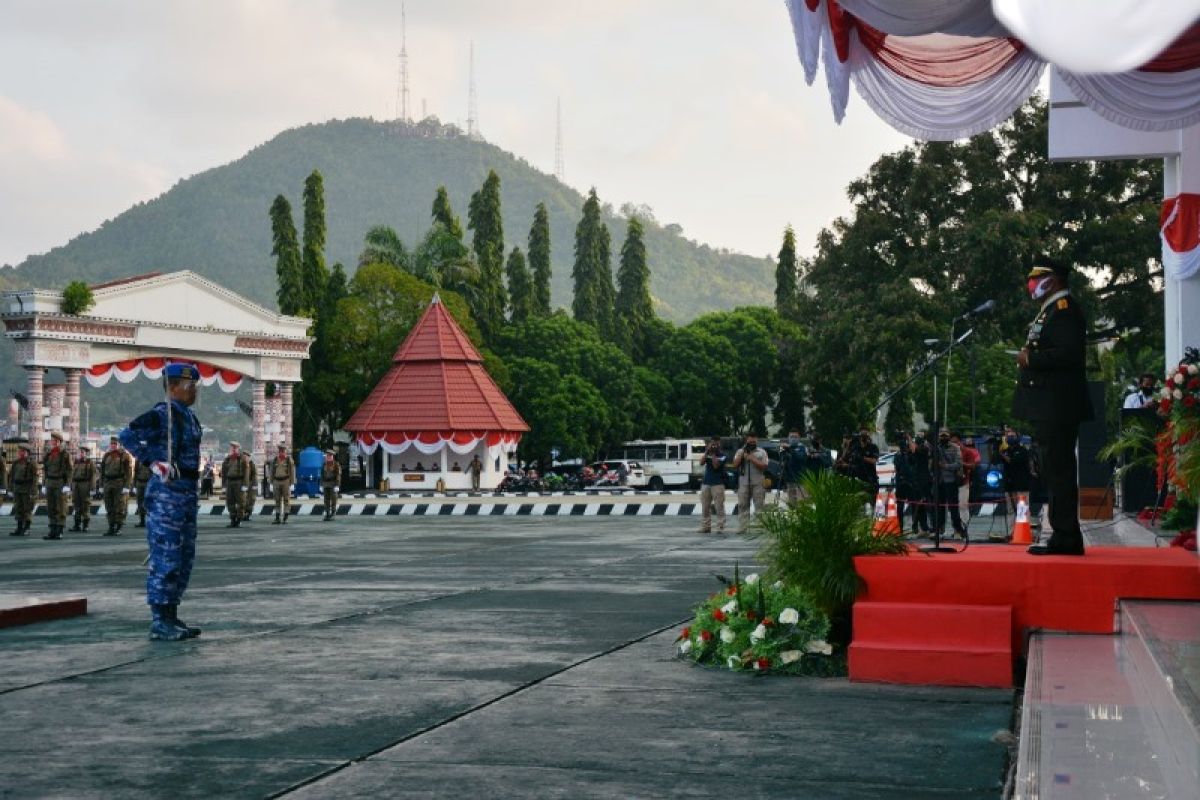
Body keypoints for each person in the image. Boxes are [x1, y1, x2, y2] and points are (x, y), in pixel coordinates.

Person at [119, 362, 204, 641]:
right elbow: (127, 435)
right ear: (173, 386)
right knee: (166, 555)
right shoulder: (161, 414)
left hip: (186, 492)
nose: (194, 392)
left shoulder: (189, 417)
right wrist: (152, 462)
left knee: (183, 557)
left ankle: (171, 613)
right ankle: (159, 620)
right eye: (190, 386)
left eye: (195, 386)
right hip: (168, 495)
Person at [1013, 261, 1093, 556]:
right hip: (1049, 403)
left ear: (1054, 280)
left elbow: (1069, 354)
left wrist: (1031, 360)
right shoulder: (1050, 309)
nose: (1031, 284)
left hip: (1058, 404)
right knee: (1053, 468)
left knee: (1059, 469)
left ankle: (1066, 536)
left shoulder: (1064, 310)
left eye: (1038, 278)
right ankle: (1063, 533)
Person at [730, 433, 769, 532]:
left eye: (754, 441)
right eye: (750, 441)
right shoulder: (740, 451)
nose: (752, 443)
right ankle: (743, 527)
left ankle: (759, 527)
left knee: (759, 505)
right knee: (742, 505)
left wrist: (752, 458)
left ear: (757, 441)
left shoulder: (762, 452)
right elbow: (734, 465)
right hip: (743, 482)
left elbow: (764, 466)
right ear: (746, 441)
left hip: (758, 482)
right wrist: (742, 454)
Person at [999, 432, 1033, 541]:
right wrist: (995, 448)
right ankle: (1011, 532)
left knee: (1022, 509)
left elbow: (1013, 461)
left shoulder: (1022, 450)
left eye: (1012, 436)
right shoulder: (1006, 450)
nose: (1009, 438)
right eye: (1008, 436)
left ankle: (1023, 533)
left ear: (1017, 438)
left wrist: (1003, 455)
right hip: (1009, 485)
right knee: (1010, 510)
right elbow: (994, 460)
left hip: (1021, 485)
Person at [934, 428, 967, 538]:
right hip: (939, 481)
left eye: (945, 435)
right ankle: (939, 529)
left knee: (953, 508)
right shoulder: (936, 448)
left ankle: (958, 529)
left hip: (951, 480)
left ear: (948, 436)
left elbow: (958, 464)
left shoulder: (955, 448)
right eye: (941, 436)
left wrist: (945, 466)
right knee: (939, 507)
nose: (943, 438)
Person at [41, 431, 72, 540]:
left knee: (60, 507)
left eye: (55, 441)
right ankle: (52, 529)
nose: (53, 443)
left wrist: (67, 484)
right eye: (52, 441)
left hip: (60, 482)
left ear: (59, 442)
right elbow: (45, 469)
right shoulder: (49, 454)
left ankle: (59, 530)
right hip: (49, 482)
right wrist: (43, 484)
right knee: (51, 507)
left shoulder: (65, 454)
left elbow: (69, 470)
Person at [100, 437, 133, 536]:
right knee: (109, 506)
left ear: (119, 445)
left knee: (119, 506)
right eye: (112, 444)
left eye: (115, 444)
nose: (113, 446)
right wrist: (101, 485)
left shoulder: (124, 456)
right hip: (108, 482)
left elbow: (129, 472)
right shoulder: (106, 455)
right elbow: (102, 471)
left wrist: (127, 486)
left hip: (119, 482)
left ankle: (118, 527)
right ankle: (111, 527)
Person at [697, 436, 727, 534]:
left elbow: (715, 466)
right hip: (706, 483)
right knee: (705, 507)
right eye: (713, 443)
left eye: (716, 444)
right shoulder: (708, 453)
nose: (714, 446)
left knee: (719, 506)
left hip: (717, 484)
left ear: (720, 444)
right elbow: (701, 463)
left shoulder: (722, 455)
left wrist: (714, 454)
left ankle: (720, 527)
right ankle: (706, 527)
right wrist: (707, 451)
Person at [9, 444, 37, 537]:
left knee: (27, 509)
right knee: (18, 508)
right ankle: (19, 527)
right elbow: (11, 476)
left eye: (23, 451)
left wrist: (33, 491)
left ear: (27, 453)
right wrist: (10, 488)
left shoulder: (31, 464)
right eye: (20, 451)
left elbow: (34, 479)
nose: (20, 453)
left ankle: (27, 528)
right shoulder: (16, 463)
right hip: (17, 488)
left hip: (26, 489)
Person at [70, 444, 98, 533]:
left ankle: (85, 525)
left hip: (85, 485)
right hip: (76, 485)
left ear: (86, 453)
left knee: (85, 505)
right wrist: (71, 486)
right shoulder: (75, 462)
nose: (81, 454)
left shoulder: (90, 463)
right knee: (76, 505)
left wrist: (92, 488)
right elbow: (71, 475)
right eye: (79, 452)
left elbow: (94, 475)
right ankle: (77, 525)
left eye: (82, 452)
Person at [221, 442, 249, 528]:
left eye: (235, 448)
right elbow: (224, 472)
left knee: (241, 502)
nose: (233, 449)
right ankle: (232, 519)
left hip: (239, 481)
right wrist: (224, 485)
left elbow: (246, 472)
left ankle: (239, 519)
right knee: (230, 501)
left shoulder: (242, 458)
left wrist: (245, 484)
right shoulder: (227, 459)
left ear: (238, 448)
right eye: (232, 448)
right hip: (230, 482)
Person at [779, 428, 809, 503]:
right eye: (791, 437)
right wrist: (782, 452)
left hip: (801, 480)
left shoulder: (802, 448)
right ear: (788, 438)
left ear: (799, 438)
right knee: (792, 504)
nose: (793, 439)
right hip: (790, 480)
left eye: (795, 437)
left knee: (802, 503)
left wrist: (790, 449)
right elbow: (782, 462)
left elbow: (800, 457)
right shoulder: (784, 449)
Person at [269, 444, 295, 524]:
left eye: (283, 451)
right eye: (280, 451)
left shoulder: (288, 460)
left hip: (285, 481)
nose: (281, 452)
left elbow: (292, 472)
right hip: (276, 481)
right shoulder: (275, 460)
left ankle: (285, 517)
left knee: (286, 499)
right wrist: (271, 482)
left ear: (285, 451)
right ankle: (277, 517)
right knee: (277, 499)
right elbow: (272, 472)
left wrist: (292, 483)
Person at [958, 435, 981, 522]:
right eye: (967, 441)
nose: (968, 442)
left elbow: (978, 460)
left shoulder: (974, 451)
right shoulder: (961, 450)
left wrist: (970, 463)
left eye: (970, 441)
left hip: (971, 471)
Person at [320, 450, 341, 521]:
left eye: (330, 456)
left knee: (334, 499)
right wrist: (321, 485)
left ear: (332, 456)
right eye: (327, 456)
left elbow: (338, 475)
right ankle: (327, 514)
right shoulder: (324, 464)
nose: (328, 457)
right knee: (326, 500)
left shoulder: (336, 464)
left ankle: (333, 513)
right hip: (325, 484)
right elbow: (322, 475)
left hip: (333, 483)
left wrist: (337, 485)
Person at [133, 458, 152, 527]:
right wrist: (134, 484)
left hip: (148, 482)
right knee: (139, 502)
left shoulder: (150, 458)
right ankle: (142, 521)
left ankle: (151, 521)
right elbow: (135, 471)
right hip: (139, 482)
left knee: (149, 502)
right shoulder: (138, 459)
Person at [243, 454, 258, 524]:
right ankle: (243, 514)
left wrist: (254, 484)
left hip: (250, 483)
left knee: (251, 499)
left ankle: (248, 514)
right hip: (242, 484)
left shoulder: (252, 464)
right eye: (244, 457)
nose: (245, 458)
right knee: (243, 499)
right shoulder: (241, 464)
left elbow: (254, 474)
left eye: (246, 457)